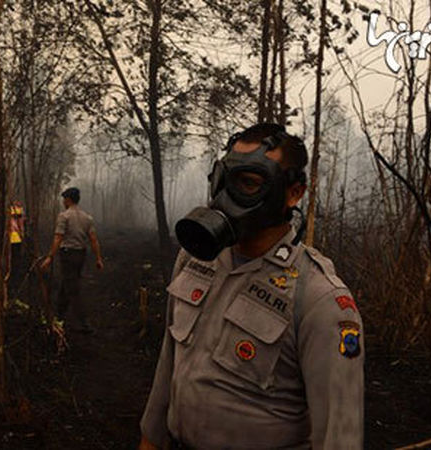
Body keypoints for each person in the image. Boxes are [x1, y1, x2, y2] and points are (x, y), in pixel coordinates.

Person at [139, 123, 364, 449]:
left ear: (294, 193)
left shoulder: (320, 298)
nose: (227, 196)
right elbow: (169, 368)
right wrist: (150, 439)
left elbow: (340, 437)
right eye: (224, 180)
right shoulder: (194, 261)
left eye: (249, 183)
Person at [40, 187, 104, 333]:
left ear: (68, 200)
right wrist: (98, 258)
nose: (63, 201)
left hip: (68, 255)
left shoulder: (64, 216)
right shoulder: (87, 218)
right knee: (67, 283)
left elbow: (58, 237)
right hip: (81, 255)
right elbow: (94, 240)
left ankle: (84, 323)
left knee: (72, 289)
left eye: (64, 199)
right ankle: (59, 316)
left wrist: (50, 257)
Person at [7, 199, 26, 298]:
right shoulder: (15, 211)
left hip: (16, 239)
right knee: (14, 263)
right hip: (13, 239)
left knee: (15, 263)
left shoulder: (16, 212)